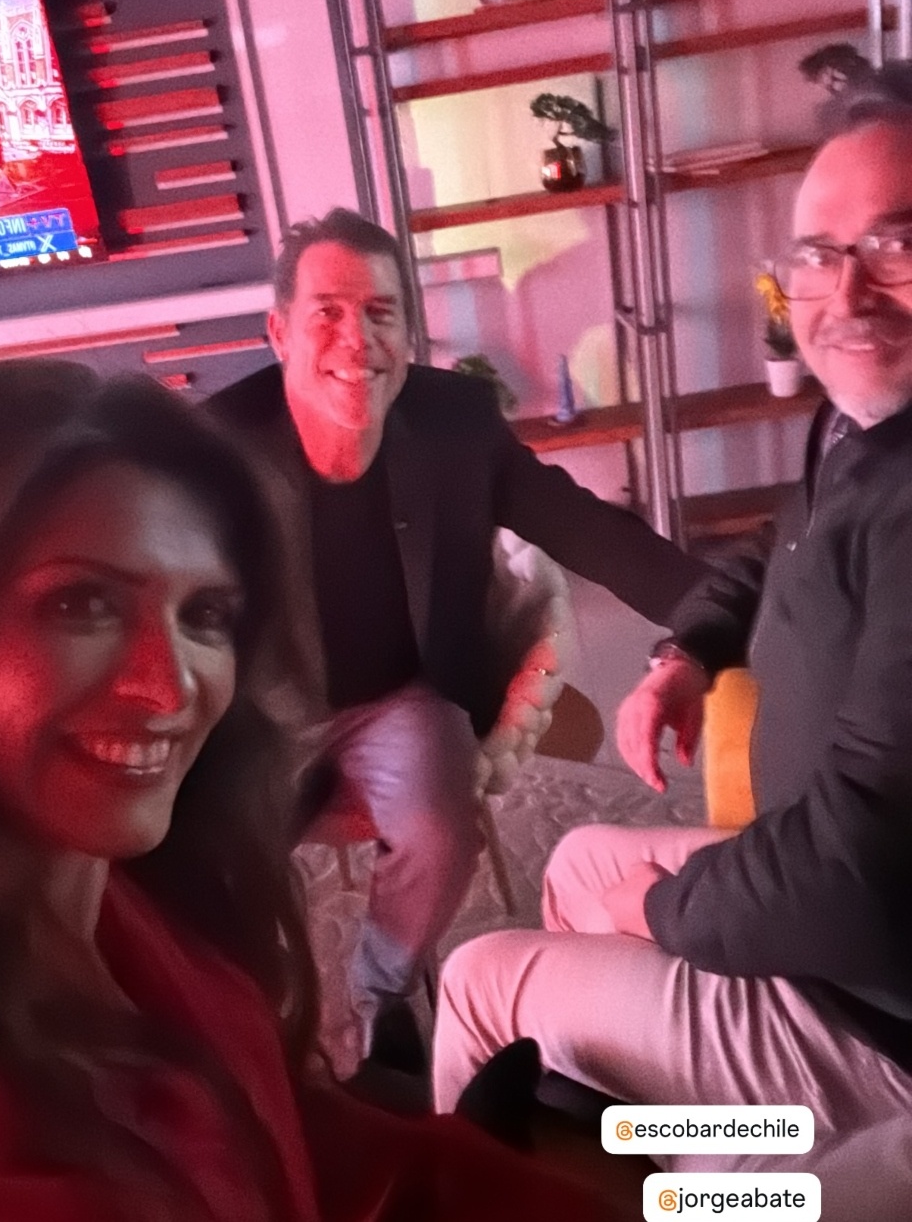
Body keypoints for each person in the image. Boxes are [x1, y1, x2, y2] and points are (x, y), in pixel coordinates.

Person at [0, 358, 634, 1222]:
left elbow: (286, 1136)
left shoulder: (142, 898)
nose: (172, 689)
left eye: (205, 616)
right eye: (81, 604)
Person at [431, 69, 912, 1217]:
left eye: (895, 243)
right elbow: (774, 546)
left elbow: (853, 862)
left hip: (868, 1006)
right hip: (835, 917)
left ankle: (691, 1165)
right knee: (580, 863)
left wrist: (664, 911)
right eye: (817, 254)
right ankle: (668, 1156)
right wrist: (684, 652)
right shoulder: (865, 424)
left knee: (481, 977)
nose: (845, 291)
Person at [207, 207, 709, 1066]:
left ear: (408, 334)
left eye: (381, 313)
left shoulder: (454, 424)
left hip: (402, 695)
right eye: (328, 311)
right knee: (204, 857)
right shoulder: (213, 449)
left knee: (443, 831)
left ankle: (382, 993)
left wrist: (717, 613)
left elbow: (589, 529)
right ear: (279, 330)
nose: (357, 339)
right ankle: (247, 1025)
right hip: (262, 709)